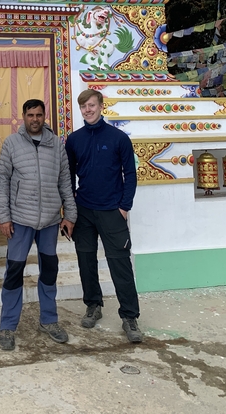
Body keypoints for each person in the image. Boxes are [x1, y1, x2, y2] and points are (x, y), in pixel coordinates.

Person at [0, 99, 77, 351]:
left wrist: (70, 214)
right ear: (23, 116)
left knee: (49, 272)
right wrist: (4, 217)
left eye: (39, 115)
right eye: (30, 115)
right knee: (14, 274)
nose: (35, 119)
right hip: (20, 220)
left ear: (45, 116)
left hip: (51, 221)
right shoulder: (11, 143)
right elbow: (2, 182)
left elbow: (65, 180)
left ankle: (49, 320)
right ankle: (8, 326)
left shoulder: (56, 145)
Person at [65, 89, 143, 343]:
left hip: (112, 210)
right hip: (85, 210)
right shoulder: (74, 140)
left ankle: (129, 317)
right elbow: (68, 176)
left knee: (119, 263)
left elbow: (130, 174)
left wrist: (124, 206)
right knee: (86, 261)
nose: (87, 110)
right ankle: (93, 305)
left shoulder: (119, 138)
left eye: (91, 105)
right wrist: (71, 207)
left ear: (101, 106)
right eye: (83, 107)